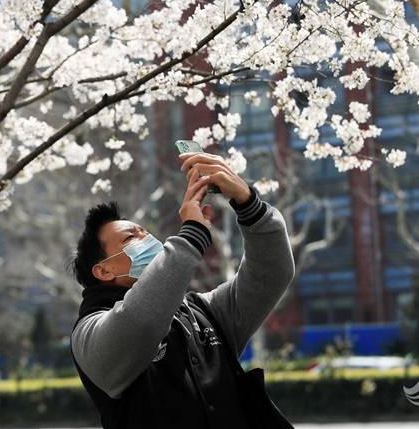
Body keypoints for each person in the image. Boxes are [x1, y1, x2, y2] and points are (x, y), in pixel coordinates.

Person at [69, 151, 295, 428]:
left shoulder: (204, 312)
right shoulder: (89, 334)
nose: (146, 239)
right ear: (104, 270)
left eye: (144, 232)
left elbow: (271, 274)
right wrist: (191, 236)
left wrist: (249, 204)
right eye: (130, 237)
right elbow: (140, 320)